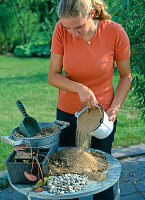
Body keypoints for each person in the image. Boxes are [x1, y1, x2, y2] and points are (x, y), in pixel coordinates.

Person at [48, 0, 132, 199]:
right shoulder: (61, 29)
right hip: (68, 111)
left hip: (102, 115)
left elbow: (126, 76)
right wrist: (80, 88)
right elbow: (53, 75)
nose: (73, 34)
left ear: (92, 13)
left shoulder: (115, 32)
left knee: (100, 175)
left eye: (78, 27)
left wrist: (115, 108)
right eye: (68, 27)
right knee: (66, 174)